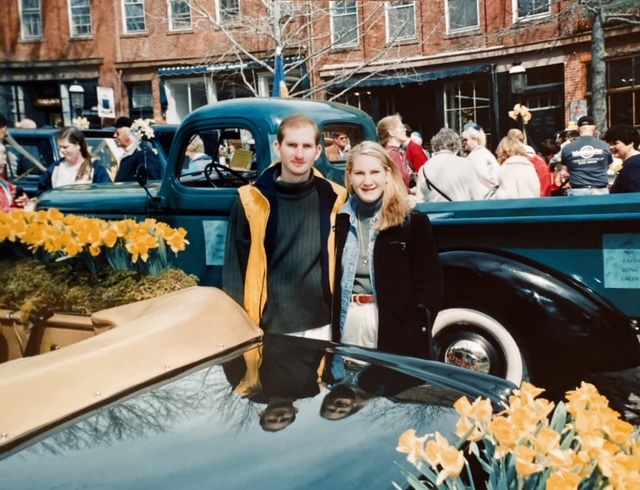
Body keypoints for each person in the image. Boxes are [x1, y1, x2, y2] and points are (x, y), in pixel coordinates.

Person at [223, 114, 347, 338]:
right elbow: (234, 273)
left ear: (318, 152)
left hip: (322, 324)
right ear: (278, 148)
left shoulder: (335, 198)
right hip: (271, 326)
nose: (299, 154)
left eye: (307, 146)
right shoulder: (251, 201)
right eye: (292, 145)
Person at [331, 141, 443, 358]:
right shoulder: (339, 221)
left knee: (387, 389)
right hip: (349, 320)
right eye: (359, 173)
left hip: (394, 326)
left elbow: (431, 283)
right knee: (350, 387)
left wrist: (415, 323)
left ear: (387, 173)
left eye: (374, 172)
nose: (367, 181)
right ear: (350, 177)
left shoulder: (411, 221)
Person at [415, 127, 487, 202]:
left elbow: (420, 200)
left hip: (434, 213)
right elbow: (477, 197)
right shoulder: (467, 165)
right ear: (456, 146)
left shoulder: (424, 169)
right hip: (461, 211)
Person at [37, 126, 111, 194]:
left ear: (78, 145)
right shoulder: (56, 167)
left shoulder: (96, 167)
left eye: (65, 147)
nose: (62, 150)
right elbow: (42, 192)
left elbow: (106, 193)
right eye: (60, 147)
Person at [560, 115, 612, 196]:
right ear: (594, 128)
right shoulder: (605, 146)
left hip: (577, 191)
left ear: (577, 129)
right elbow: (608, 166)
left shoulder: (567, 148)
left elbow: (565, 170)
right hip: (600, 190)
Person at [113, 116, 163, 182]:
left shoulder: (143, 153)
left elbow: (153, 181)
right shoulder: (128, 155)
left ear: (128, 134)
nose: (115, 136)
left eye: (117, 133)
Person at [377, 115, 412, 190]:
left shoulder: (388, 152)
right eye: (401, 127)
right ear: (391, 133)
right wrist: (411, 191)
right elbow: (396, 185)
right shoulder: (393, 154)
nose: (405, 129)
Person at [462, 124, 500, 191]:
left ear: (475, 139)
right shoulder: (486, 153)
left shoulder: (475, 156)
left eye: (466, 140)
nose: (464, 142)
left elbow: (484, 175)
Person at [604, 125, 640, 194]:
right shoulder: (631, 163)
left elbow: (635, 194)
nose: (611, 147)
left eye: (615, 143)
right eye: (610, 143)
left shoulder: (633, 165)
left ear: (630, 143)